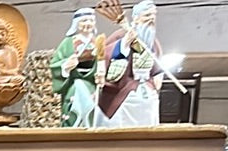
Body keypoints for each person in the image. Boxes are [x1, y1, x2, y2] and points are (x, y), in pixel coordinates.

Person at [95, 0, 162, 128]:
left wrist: (158, 75)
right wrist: (123, 44)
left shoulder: (153, 41)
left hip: (146, 87)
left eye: (153, 15)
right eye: (147, 16)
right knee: (126, 110)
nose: (151, 19)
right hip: (126, 88)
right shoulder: (121, 35)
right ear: (136, 19)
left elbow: (157, 65)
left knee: (150, 106)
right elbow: (106, 54)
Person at [50, 7, 100, 127]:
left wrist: (100, 71)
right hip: (73, 83)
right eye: (84, 21)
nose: (88, 24)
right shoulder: (68, 43)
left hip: (91, 84)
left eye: (91, 21)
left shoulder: (98, 43)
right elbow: (54, 64)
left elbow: (104, 62)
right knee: (72, 110)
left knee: (92, 112)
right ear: (77, 24)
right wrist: (66, 66)